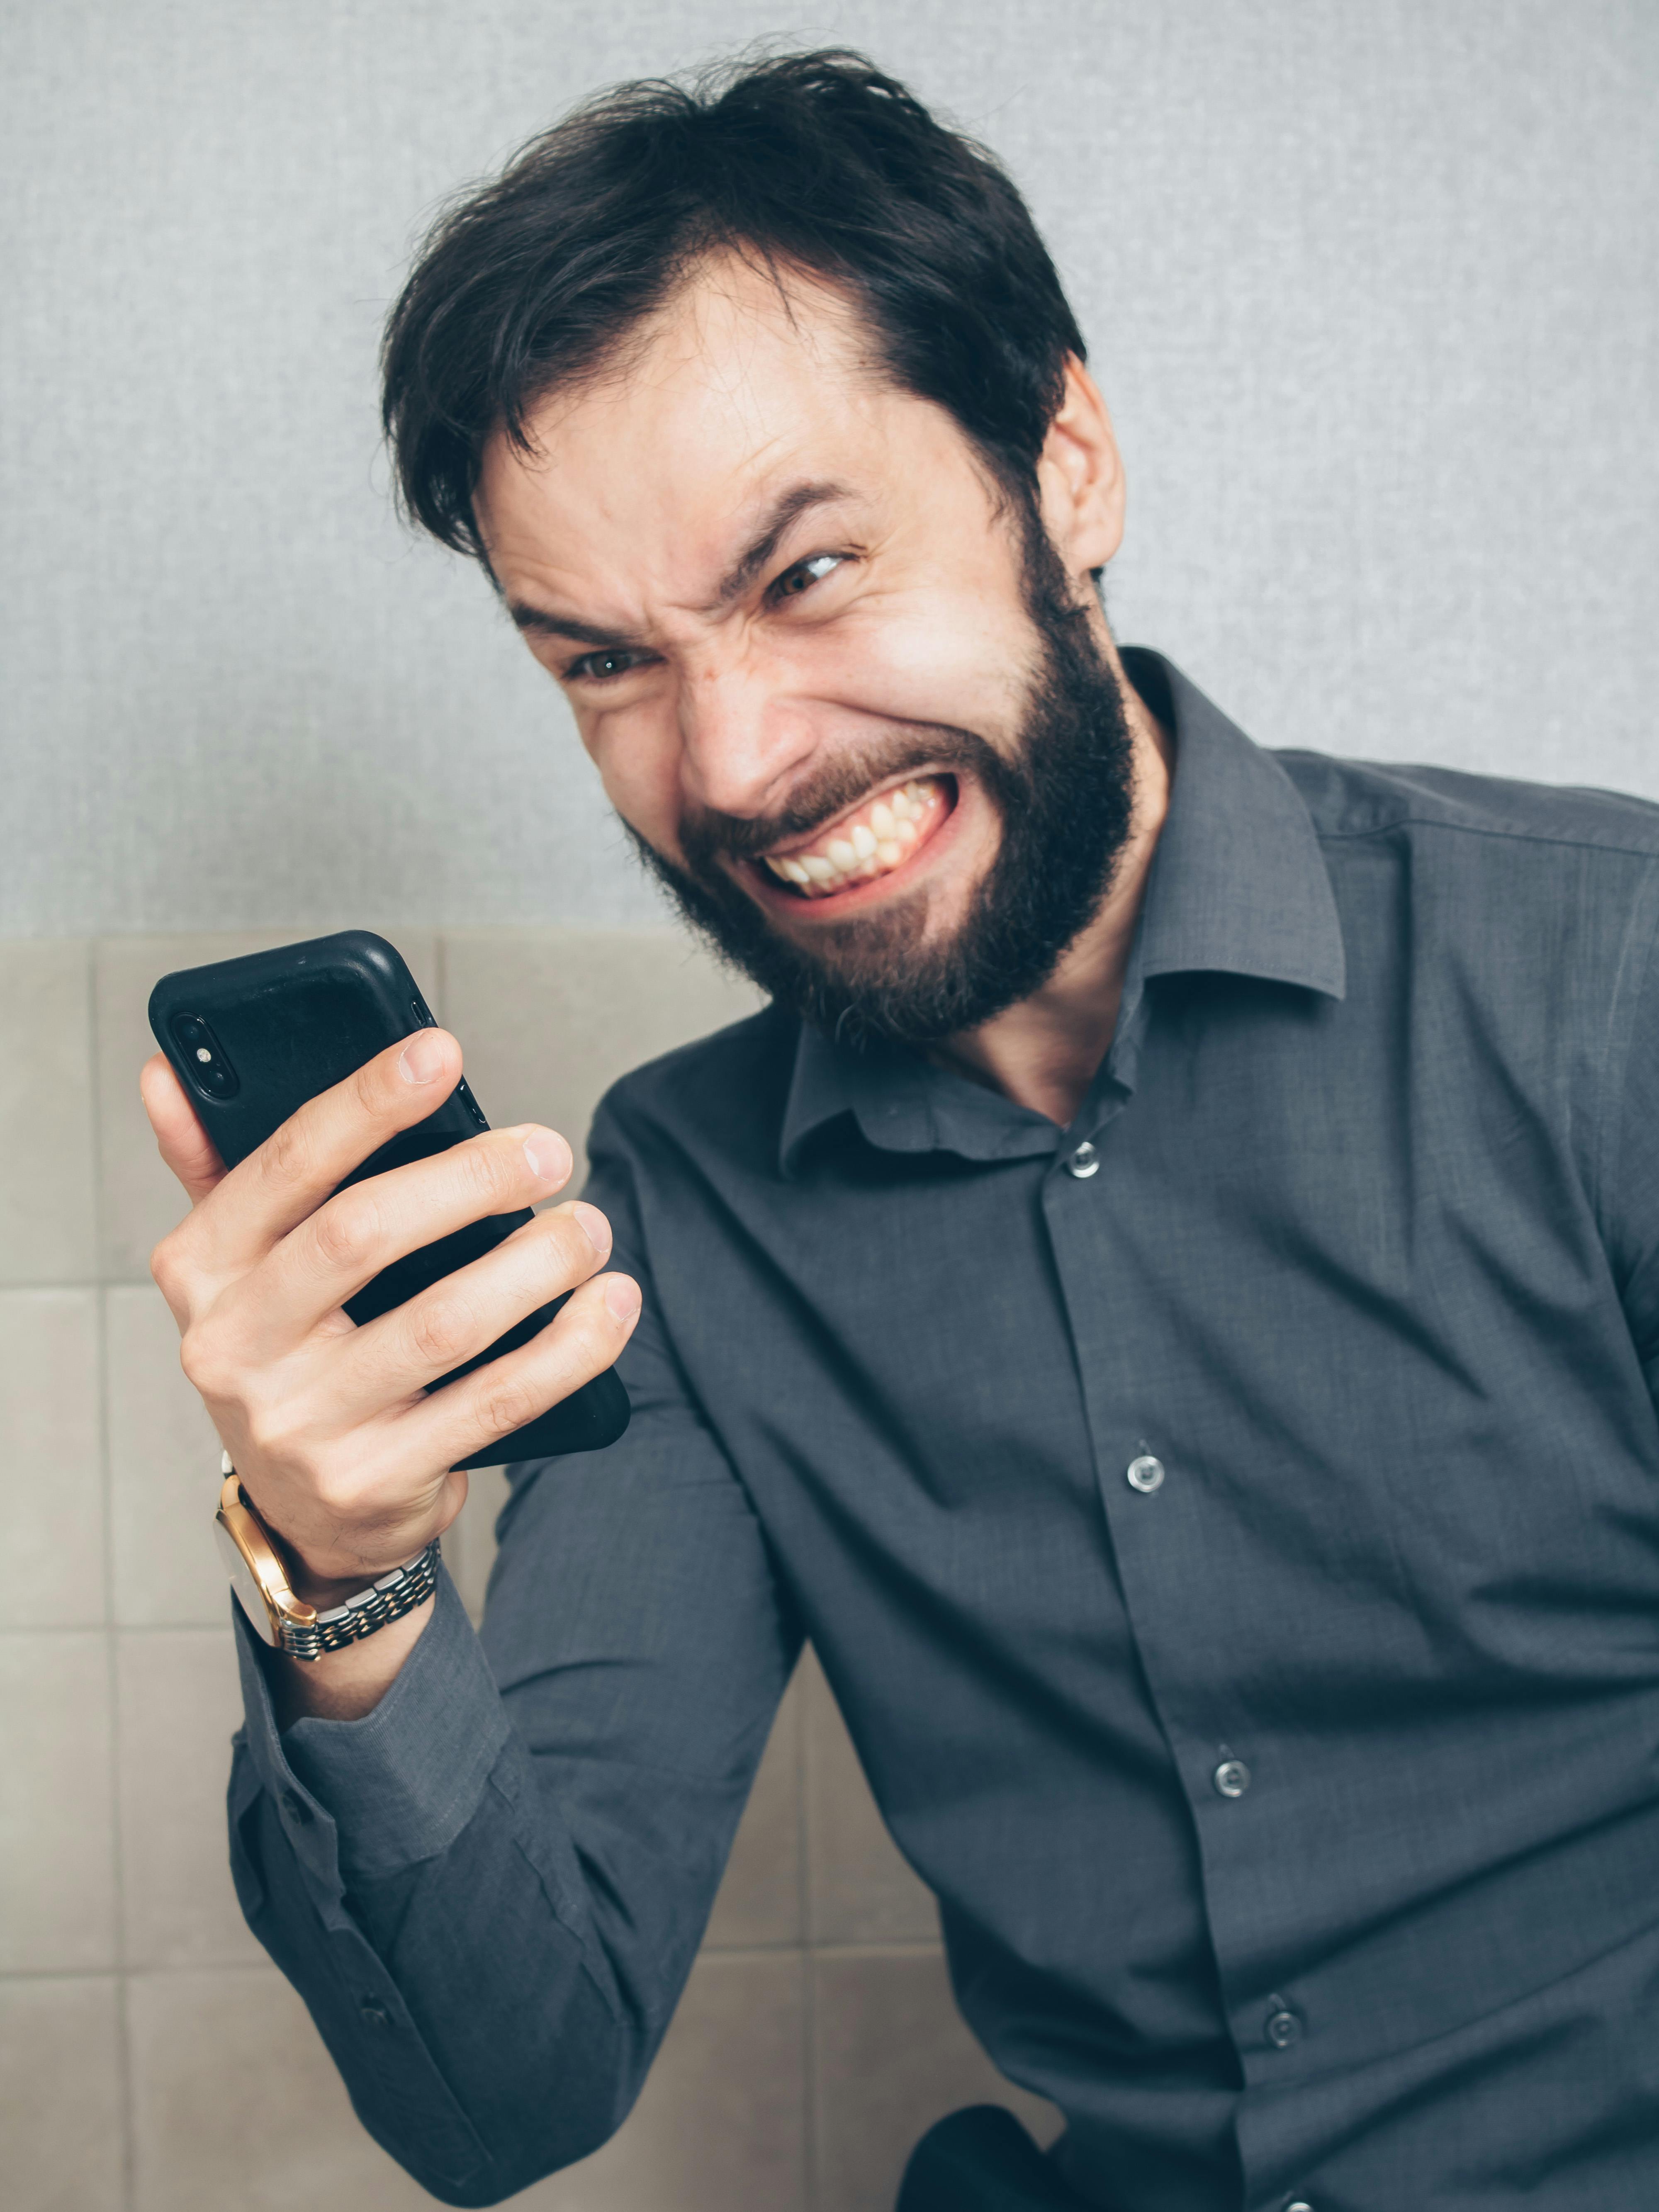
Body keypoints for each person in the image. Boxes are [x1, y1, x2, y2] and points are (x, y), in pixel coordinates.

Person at [140, 49, 1659, 2212]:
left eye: (809, 573)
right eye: (603, 663)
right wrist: (341, 1563)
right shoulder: (672, 1208)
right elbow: (506, 2093)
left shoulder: (1610, 981)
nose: (736, 755)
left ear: (1071, 465)